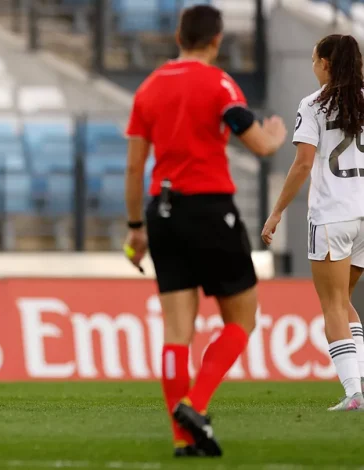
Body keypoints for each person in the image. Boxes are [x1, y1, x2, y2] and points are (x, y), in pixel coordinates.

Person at [122, 5, 287, 458]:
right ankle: (195, 405)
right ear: (216, 40)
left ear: (178, 37)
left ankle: (185, 439)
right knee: (241, 319)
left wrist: (135, 228)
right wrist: (274, 136)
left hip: (162, 213)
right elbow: (258, 143)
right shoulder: (220, 84)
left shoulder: (149, 87)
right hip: (210, 210)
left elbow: (135, 167)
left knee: (177, 332)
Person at [262, 34, 364, 411]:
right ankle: (360, 385)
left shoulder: (314, 104)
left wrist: (277, 211)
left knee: (333, 306)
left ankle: (353, 393)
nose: (312, 66)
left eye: (313, 60)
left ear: (325, 64)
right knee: (345, 301)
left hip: (333, 215)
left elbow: (303, 163)